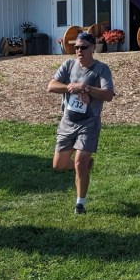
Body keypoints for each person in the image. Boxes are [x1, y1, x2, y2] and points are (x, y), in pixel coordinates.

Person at [47, 31, 115, 214]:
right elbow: (51, 86)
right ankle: (86, 164)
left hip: (89, 122)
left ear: (92, 48)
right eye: (76, 47)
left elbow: (108, 94)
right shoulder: (68, 65)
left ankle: (80, 204)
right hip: (67, 122)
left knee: (79, 162)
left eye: (83, 47)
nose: (79, 50)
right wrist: (72, 88)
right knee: (58, 165)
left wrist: (86, 88)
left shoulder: (101, 69)